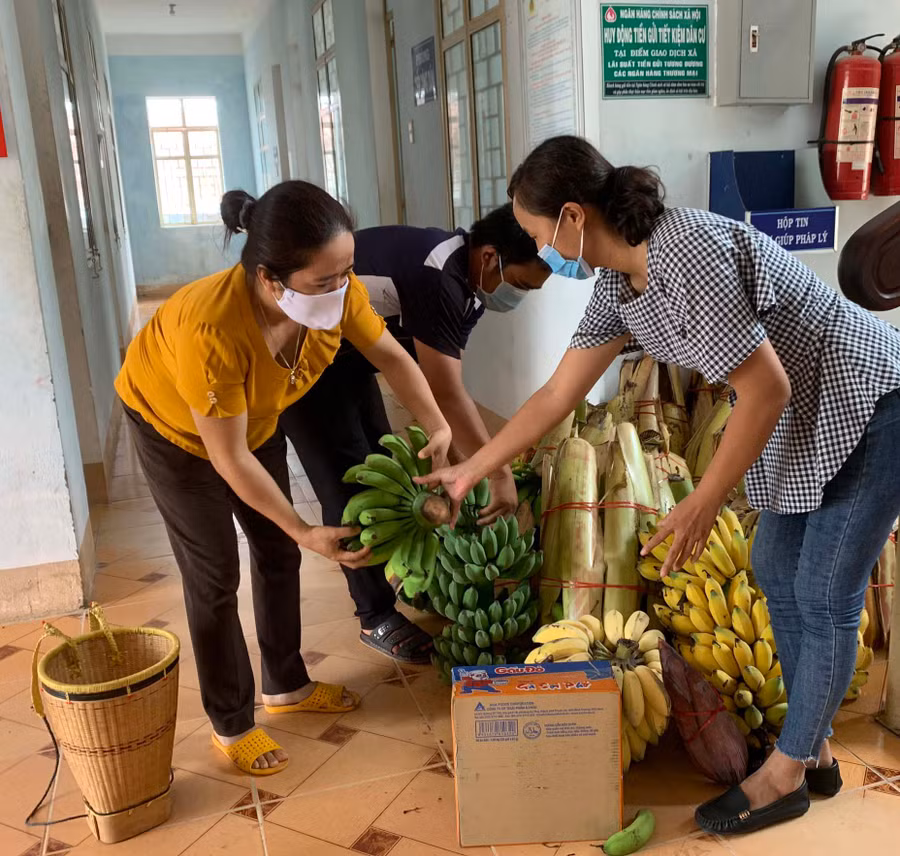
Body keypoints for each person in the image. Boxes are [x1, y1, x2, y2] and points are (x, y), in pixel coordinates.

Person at [418, 135, 900, 833]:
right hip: (807, 411)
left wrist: (703, 502)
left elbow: (764, 387)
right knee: (773, 566)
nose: (539, 250)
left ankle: (787, 775)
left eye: (535, 232)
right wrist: (474, 465)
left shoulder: (689, 254)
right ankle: (813, 750)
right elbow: (557, 393)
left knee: (824, 594)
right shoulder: (622, 283)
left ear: (574, 217)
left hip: (871, 397)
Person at [114, 180, 451, 776]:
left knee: (276, 552)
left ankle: (286, 686)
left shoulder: (332, 294)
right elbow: (229, 459)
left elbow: (394, 357)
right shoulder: (212, 329)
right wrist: (303, 527)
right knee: (215, 572)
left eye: (346, 273)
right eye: (325, 280)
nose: (341, 289)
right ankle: (231, 720)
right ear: (271, 279)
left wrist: (439, 428)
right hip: (176, 432)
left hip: (255, 417)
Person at [279, 203, 550, 664]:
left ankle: (392, 574)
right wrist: (498, 471)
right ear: (490, 257)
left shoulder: (466, 281)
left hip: (350, 361)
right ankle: (374, 616)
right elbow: (447, 391)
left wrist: (453, 446)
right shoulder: (439, 276)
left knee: (385, 471)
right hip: (301, 367)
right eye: (521, 284)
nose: (518, 296)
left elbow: (432, 371)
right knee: (348, 484)